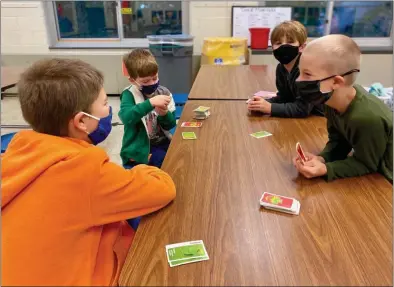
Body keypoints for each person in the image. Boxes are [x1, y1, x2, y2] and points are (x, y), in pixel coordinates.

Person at [1, 58, 176, 286]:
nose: (108, 111)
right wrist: (143, 167)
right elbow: (163, 189)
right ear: (82, 121)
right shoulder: (84, 170)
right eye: (104, 104)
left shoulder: (16, 152)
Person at [293, 34, 393, 183]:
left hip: (384, 181)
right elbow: (339, 141)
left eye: (307, 74)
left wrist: (327, 169)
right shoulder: (331, 102)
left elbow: (367, 164)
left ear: (336, 82)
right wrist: (322, 158)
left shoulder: (367, 118)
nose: (298, 80)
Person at [247, 20, 324, 118]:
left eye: (290, 42)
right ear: (273, 48)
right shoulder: (281, 68)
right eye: (278, 43)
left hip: (321, 120)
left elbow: (302, 109)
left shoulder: (308, 71)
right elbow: (284, 98)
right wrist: (262, 104)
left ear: (301, 47)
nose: (283, 46)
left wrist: (270, 108)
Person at [120, 49, 176, 169]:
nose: (152, 83)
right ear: (132, 80)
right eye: (145, 81)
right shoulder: (129, 94)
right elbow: (126, 118)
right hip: (138, 148)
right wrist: (150, 103)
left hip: (161, 143)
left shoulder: (164, 92)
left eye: (155, 78)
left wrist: (164, 114)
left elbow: (170, 125)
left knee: (175, 159)